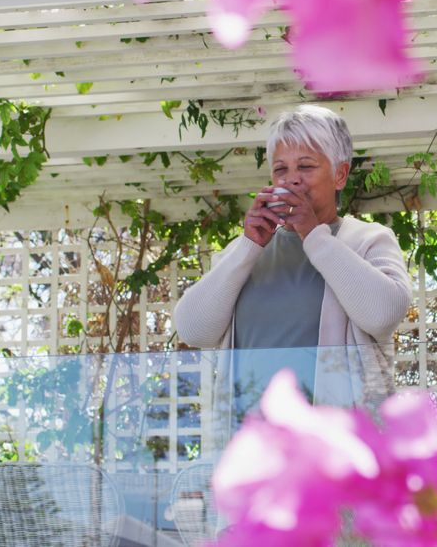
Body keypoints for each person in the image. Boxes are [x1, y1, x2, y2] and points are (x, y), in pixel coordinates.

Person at [173, 104, 412, 442]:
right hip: (255, 449)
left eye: (306, 166)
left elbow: (383, 314)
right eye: (280, 168)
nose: (292, 179)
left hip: (338, 451)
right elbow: (192, 329)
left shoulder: (368, 240)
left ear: (340, 175)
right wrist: (247, 247)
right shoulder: (244, 252)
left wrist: (314, 235)